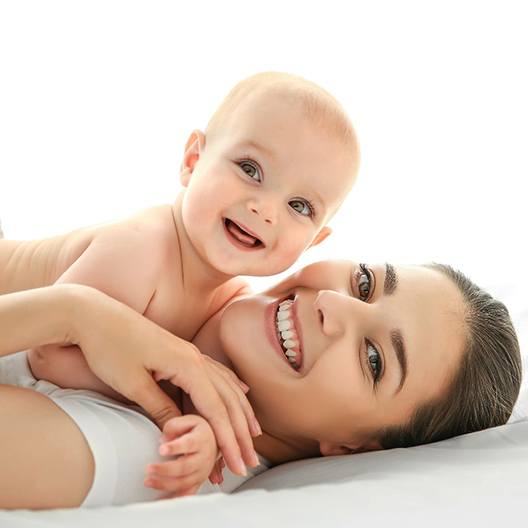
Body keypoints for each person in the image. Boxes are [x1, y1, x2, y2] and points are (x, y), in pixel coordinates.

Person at [0, 71, 359, 485]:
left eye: (299, 206)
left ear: (315, 242)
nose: (265, 208)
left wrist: (204, 429)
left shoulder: (234, 304)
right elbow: (49, 355)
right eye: (250, 169)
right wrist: (171, 375)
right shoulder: (143, 248)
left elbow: (200, 387)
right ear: (193, 161)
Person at [0, 258, 521, 508]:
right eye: (365, 283)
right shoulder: (185, 265)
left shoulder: (153, 456)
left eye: (373, 358)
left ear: (350, 447)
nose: (333, 304)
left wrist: (74, 312)